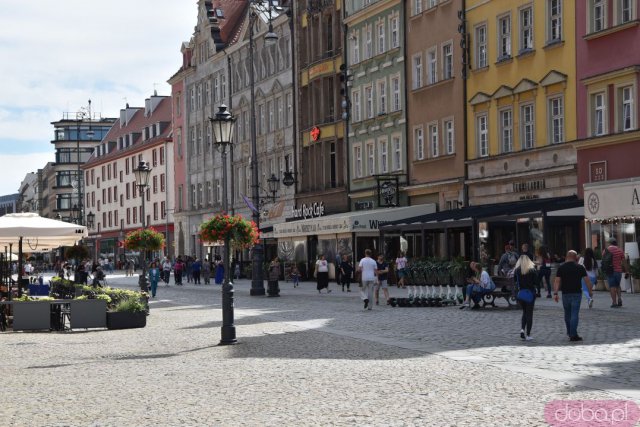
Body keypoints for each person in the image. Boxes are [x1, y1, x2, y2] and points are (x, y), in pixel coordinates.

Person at [554, 250, 593, 342]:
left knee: (567, 314)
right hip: (576, 293)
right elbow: (587, 280)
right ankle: (573, 334)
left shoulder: (561, 267)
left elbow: (557, 281)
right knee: (574, 314)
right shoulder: (580, 267)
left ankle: (569, 332)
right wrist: (590, 291)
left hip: (565, 294)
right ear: (575, 257)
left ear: (567, 257)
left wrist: (555, 293)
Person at [514, 255, 537, 341]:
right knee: (529, 314)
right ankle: (528, 334)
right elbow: (536, 282)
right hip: (530, 294)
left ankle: (522, 330)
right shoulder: (532, 270)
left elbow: (515, 281)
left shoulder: (517, 270)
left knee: (524, 313)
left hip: (521, 294)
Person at [602, 238, 626, 308]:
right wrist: (627, 270)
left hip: (610, 271)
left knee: (612, 286)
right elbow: (624, 262)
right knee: (618, 285)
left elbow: (603, 261)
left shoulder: (606, 250)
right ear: (616, 243)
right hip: (618, 271)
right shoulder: (620, 250)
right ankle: (619, 299)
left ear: (610, 243)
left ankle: (614, 302)